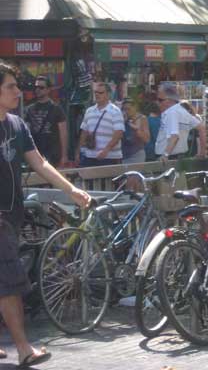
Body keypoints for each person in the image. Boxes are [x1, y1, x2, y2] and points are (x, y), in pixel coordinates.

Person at [0, 62, 91, 368]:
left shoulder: (16, 124)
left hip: (12, 213)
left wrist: (71, 189)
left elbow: (39, 162)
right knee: (10, 284)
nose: (18, 91)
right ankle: (24, 349)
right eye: (10, 86)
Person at [155, 83, 206, 162]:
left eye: (160, 100)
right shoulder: (181, 110)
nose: (157, 103)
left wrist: (165, 155)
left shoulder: (171, 112)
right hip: (180, 156)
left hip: (168, 158)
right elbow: (202, 128)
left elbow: (175, 136)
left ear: (169, 100)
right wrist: (202, 152)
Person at [77, 82, 125, 167]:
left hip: (110, 157)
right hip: (89, 156)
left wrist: (106, 150)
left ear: (108, 94)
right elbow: (84, 132)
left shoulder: (115, 111)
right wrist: (79, 151)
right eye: (95, 92)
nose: (97, 95)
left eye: (101, 93)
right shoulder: (89, 111)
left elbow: (119, 133)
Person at [24, 76, 67, 167]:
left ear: (48, 90)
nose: (37, 90)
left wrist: (64, 156)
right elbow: (26, 133)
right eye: (36, 87)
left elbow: (63, 134)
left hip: (52, 155)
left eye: (41, 87)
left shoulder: (57, 109)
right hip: (35, 154)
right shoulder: (29, 109)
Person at [121, 98, 150, 164]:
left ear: (135, 108)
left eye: (128, 109)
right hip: (123, 155)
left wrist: (136, 129)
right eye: (124, 109)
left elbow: (147, 139)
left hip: (136, 153)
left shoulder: (142, 118)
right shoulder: (123, 118)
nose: (126, 112)